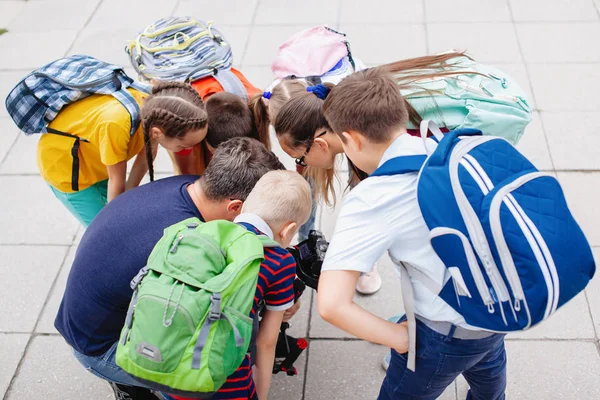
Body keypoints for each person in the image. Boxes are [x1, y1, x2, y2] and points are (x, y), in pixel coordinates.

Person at [317, 68, 507, 400]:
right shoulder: (447, 145)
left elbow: (331, 304)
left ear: (351, 139)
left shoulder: (373, 198)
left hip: (443, 331)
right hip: (500, 307)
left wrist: (399, 338)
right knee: (489, 381)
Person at [54, 137, 285, 400]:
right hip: (100, 347)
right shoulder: (182, 243)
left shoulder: (186, 186)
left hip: (87, 320)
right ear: (235, 207)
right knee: (207, 377)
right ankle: (134, 381)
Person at [166, 170, 312, 400]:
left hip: (169, 367)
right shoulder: (279, 261)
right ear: (288, 230)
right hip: (222, 384)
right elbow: (265, 343)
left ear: (242, 207)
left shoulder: (200, 230)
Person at [39, 81, 208, 226]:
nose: (188, 150)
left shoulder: (157, 109)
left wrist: (129, 195)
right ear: (157, 132)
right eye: (183, 145)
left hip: (96, 160)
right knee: (101, 230)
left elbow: (145, 157)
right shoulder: (117, 125)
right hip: (67, 171)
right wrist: (117, 222)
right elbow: (116, 182)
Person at [169, 70, 271, 176]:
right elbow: (186, 173)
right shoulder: (183, 129)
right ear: (203, 136)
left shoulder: (257, 105)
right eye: (215, 153)